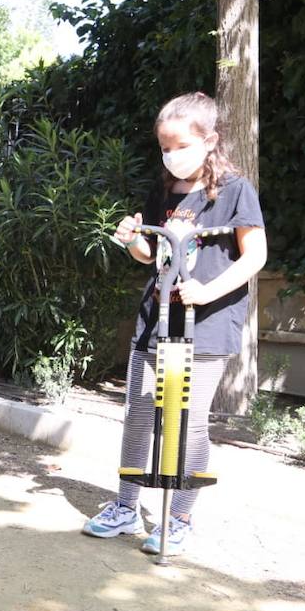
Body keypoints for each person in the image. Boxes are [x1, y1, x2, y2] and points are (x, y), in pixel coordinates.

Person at [82, 91, 267, 556]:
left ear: (210, 140)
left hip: (206, 324)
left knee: (187, 422)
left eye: (180, 144)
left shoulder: (235, 191)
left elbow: (256, 255)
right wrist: (131, 241)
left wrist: (208, 291)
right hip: (156, 319)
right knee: (139, 416)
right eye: (164, 147)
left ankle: (179, 517)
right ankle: (126, 507)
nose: (171, 155)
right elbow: (153, 257)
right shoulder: (164, 191)